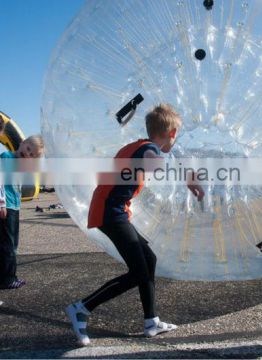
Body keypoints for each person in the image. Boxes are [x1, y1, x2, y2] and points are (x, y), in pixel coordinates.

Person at [66, 104, 204, 346]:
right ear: (171, 133)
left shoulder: (137, 145)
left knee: (149, 260)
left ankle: (151, 322)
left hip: (115, 211)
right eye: (176, 135)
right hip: (110, 213)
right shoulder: (147, 149)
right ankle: (81, 308)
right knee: (138, 271)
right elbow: (153, 161)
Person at [0, 135, 44, 289]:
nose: (29, 154)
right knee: (9, 245)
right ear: (21, 143)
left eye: (32, 155)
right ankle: (8, 279)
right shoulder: (7, 157)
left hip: (14, 207)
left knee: (11, 244)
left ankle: (5, 277)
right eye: (28, 149)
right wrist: (1, 203)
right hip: (7, 206)